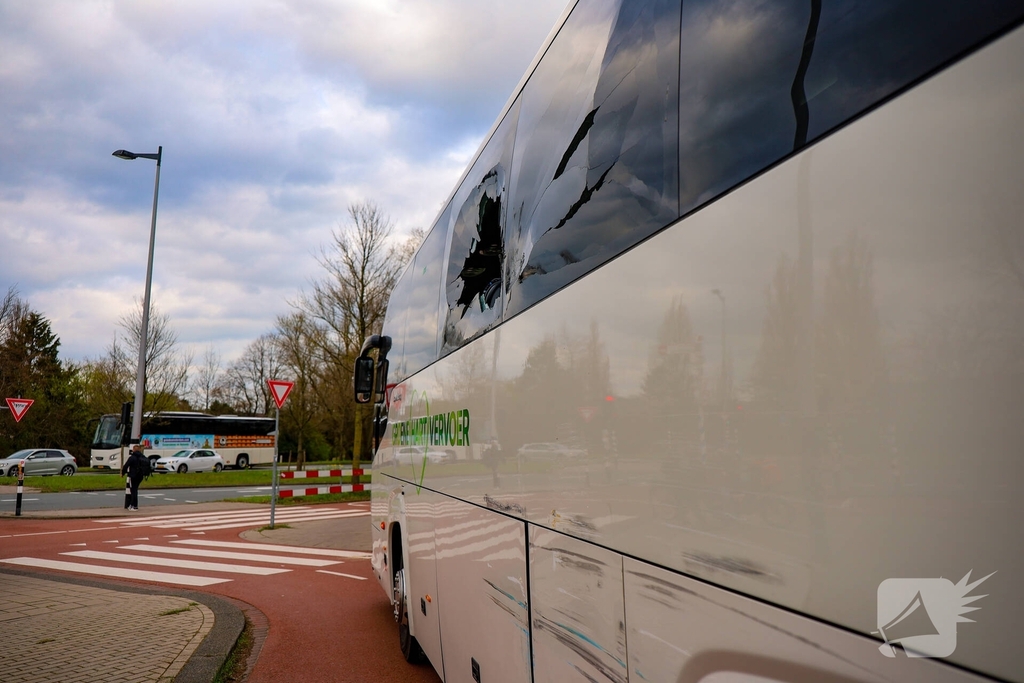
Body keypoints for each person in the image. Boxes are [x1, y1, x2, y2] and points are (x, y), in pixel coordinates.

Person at [122, 445, 147, 511]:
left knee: (133, 490)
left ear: (133, 450)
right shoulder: (143, 457)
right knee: (135, 489)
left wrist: (123, 473)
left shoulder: (132, 458)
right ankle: (135, 505)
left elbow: (126, 466)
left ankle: (132, 505)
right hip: (140, 476)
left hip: (133, 476)